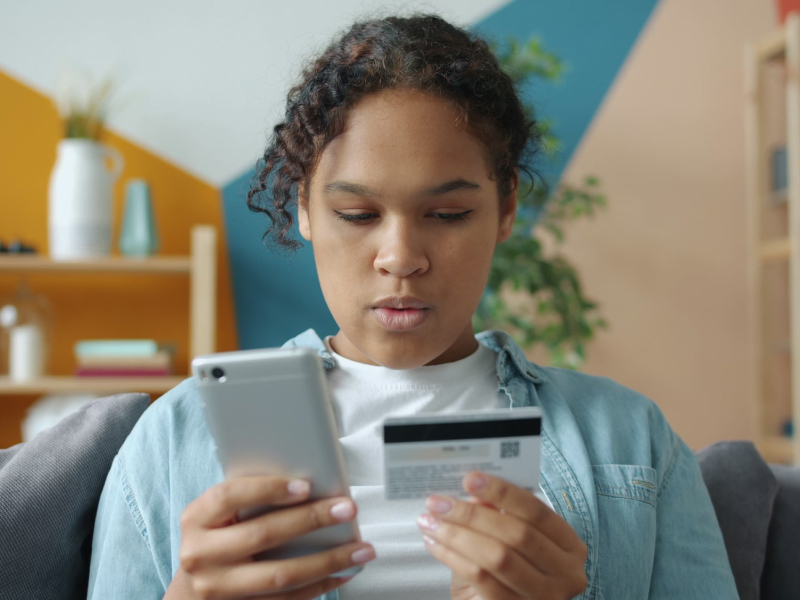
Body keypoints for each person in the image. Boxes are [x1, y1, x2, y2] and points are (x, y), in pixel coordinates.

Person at [87, 13, 739, 600]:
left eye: (448, 213)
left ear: (506, 207)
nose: (401, 256)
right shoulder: (173, 442)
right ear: (303, 208)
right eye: (357, 213)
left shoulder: (631, 440)